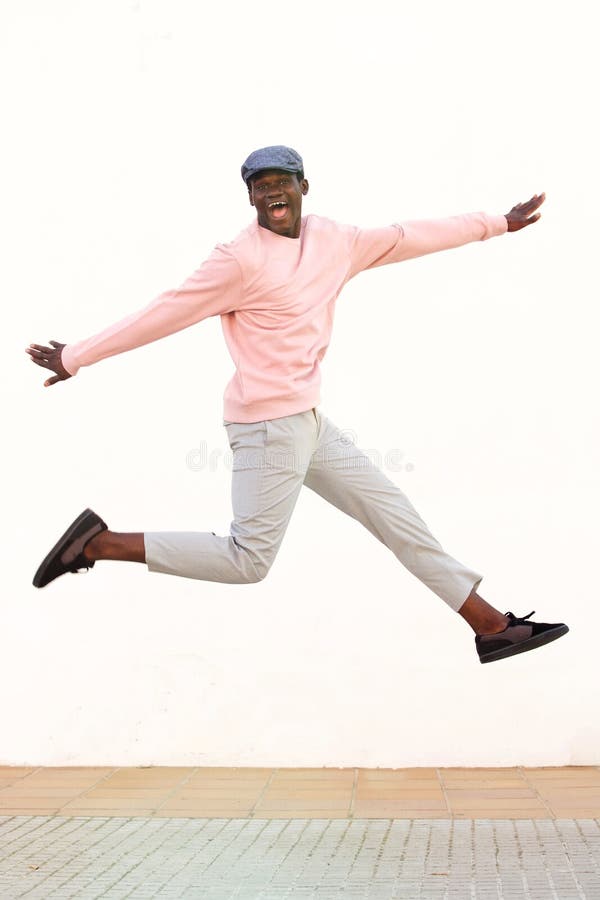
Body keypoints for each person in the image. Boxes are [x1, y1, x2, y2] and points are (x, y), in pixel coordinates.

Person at [26, 145, 568, 664]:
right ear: (251, 198)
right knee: (248, 562)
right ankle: (98, 545)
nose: (272, 193)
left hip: (308, 421)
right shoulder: (238, 261)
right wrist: (76, 356)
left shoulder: (335, 241)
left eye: (281, 182)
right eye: (260, 187)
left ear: (303, 187)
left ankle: (490, 626)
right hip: (266, 428)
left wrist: (497, 223)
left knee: (396, 517)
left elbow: (408, 236)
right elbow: (164, 312)